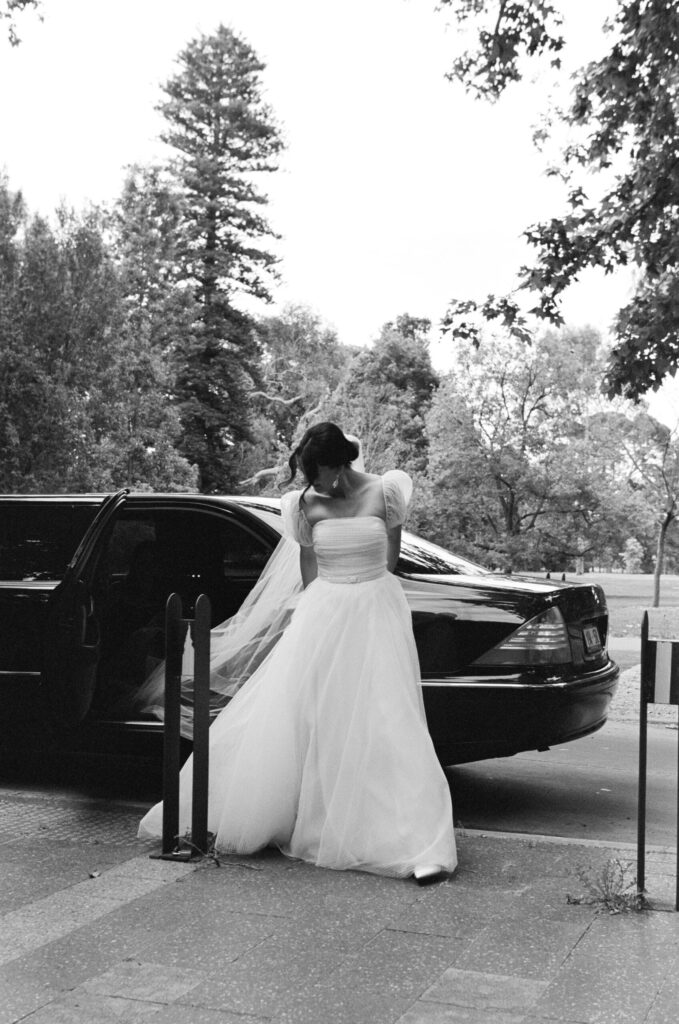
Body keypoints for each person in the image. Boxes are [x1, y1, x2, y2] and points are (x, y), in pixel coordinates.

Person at [138, 423, 456, 882]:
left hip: (376, 612)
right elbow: (309, 576)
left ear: (338, 462)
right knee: (314, 717)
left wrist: (362, 594)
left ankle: (411, 840)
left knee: (389, 718)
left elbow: (390, 561)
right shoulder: (304, 505)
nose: (315, 483)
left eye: (319, 472)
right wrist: (316, 622)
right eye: (308, 474)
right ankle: (305, 816)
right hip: (324, 616)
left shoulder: (386, 492)